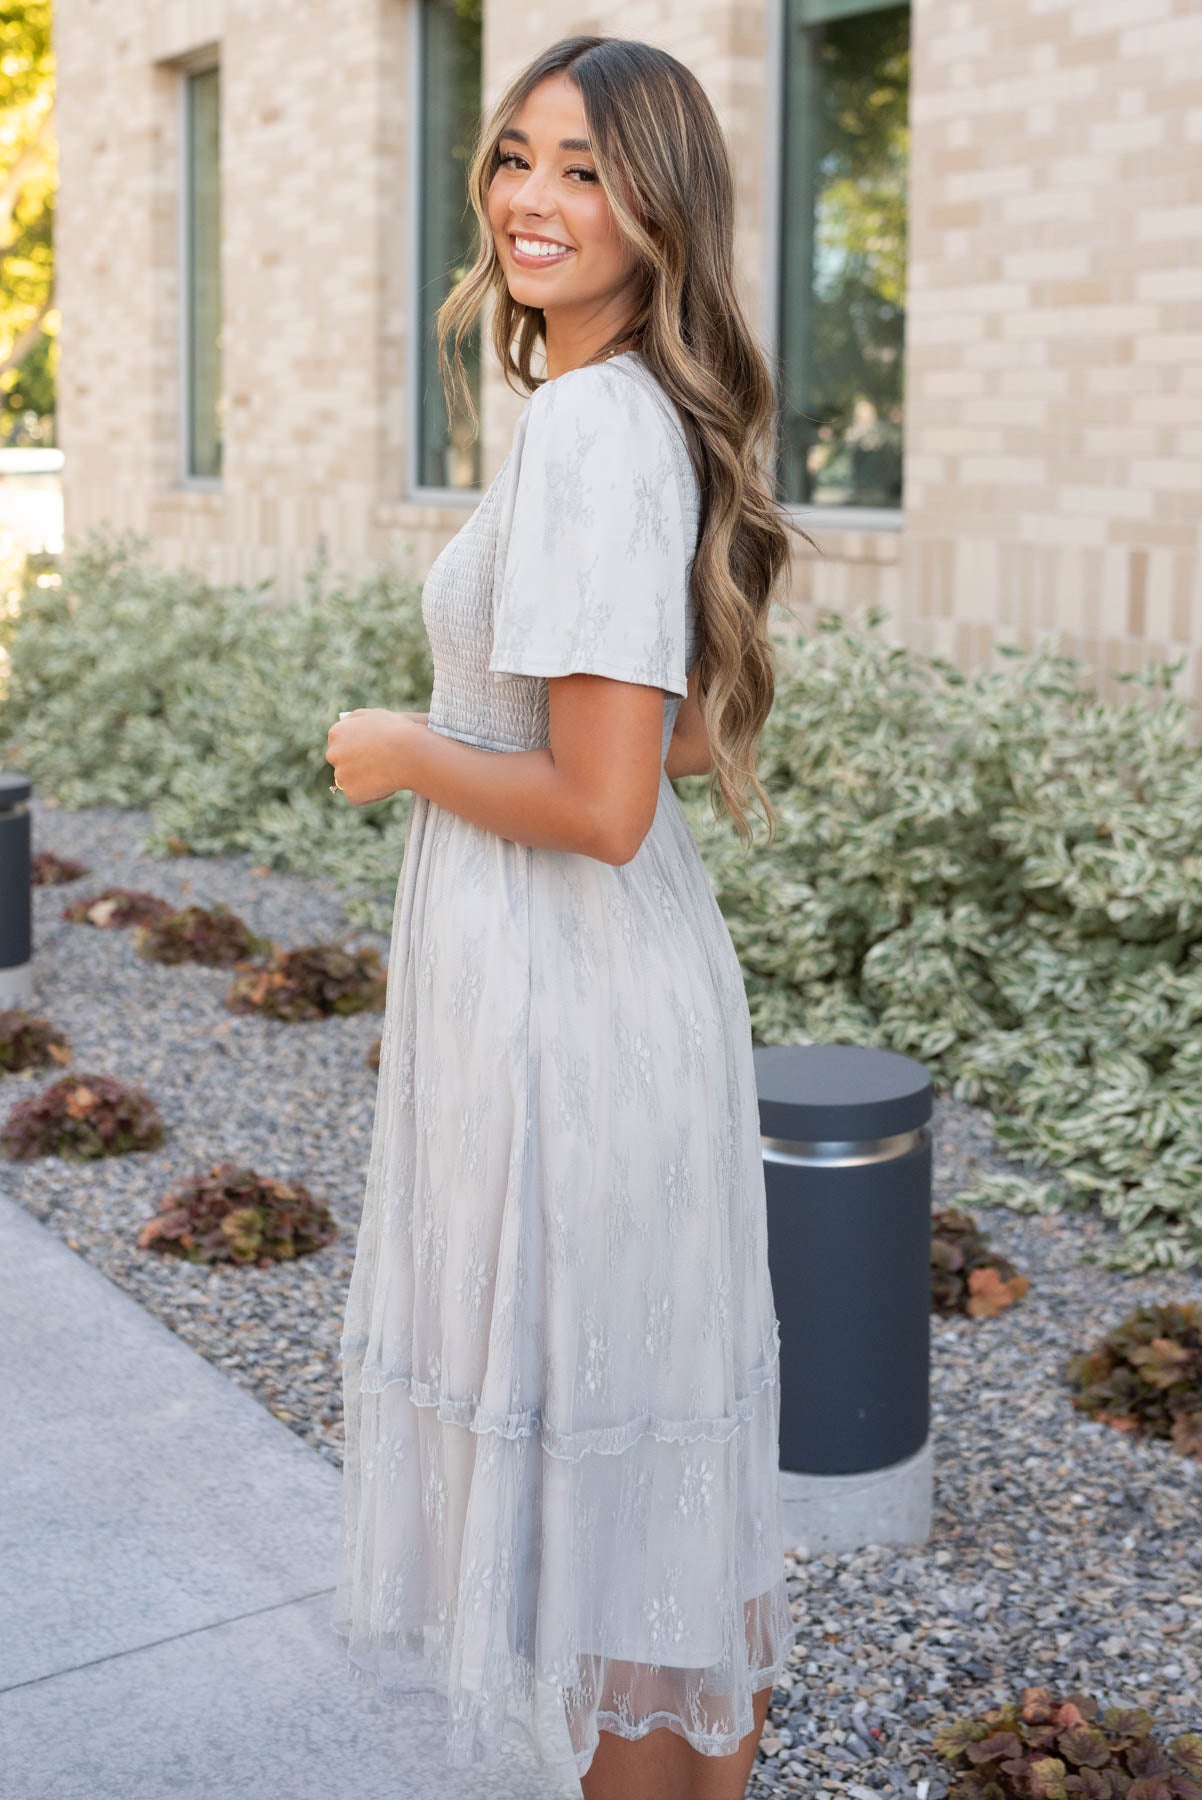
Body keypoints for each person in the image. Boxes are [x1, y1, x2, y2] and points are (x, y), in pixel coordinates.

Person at [325, 32, 818, 1800]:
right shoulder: (609, 412)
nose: (536, 199)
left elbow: (600, 807)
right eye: (519, 156)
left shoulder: (600, 428)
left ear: (657, 207)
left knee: (617, 1541)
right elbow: (677, 733)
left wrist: (402, 745)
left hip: (573, 1009)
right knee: (656, 1535)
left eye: (588, 170)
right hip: (591, 995)